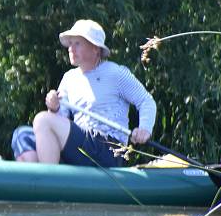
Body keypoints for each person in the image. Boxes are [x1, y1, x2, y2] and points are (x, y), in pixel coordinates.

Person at [11, 19, 156, 167]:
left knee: (42, 120)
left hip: (109, 148)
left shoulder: (116, 73)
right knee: (22, 135)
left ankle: (49, 182)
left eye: (77, 43)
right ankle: (37, 183)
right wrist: (54, 108)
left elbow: (146, 101)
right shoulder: (69, 78)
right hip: (82, 147)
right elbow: (58, 122)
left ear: (95, 48)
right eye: (70, 44)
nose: (70, 48)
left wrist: (144, 128)